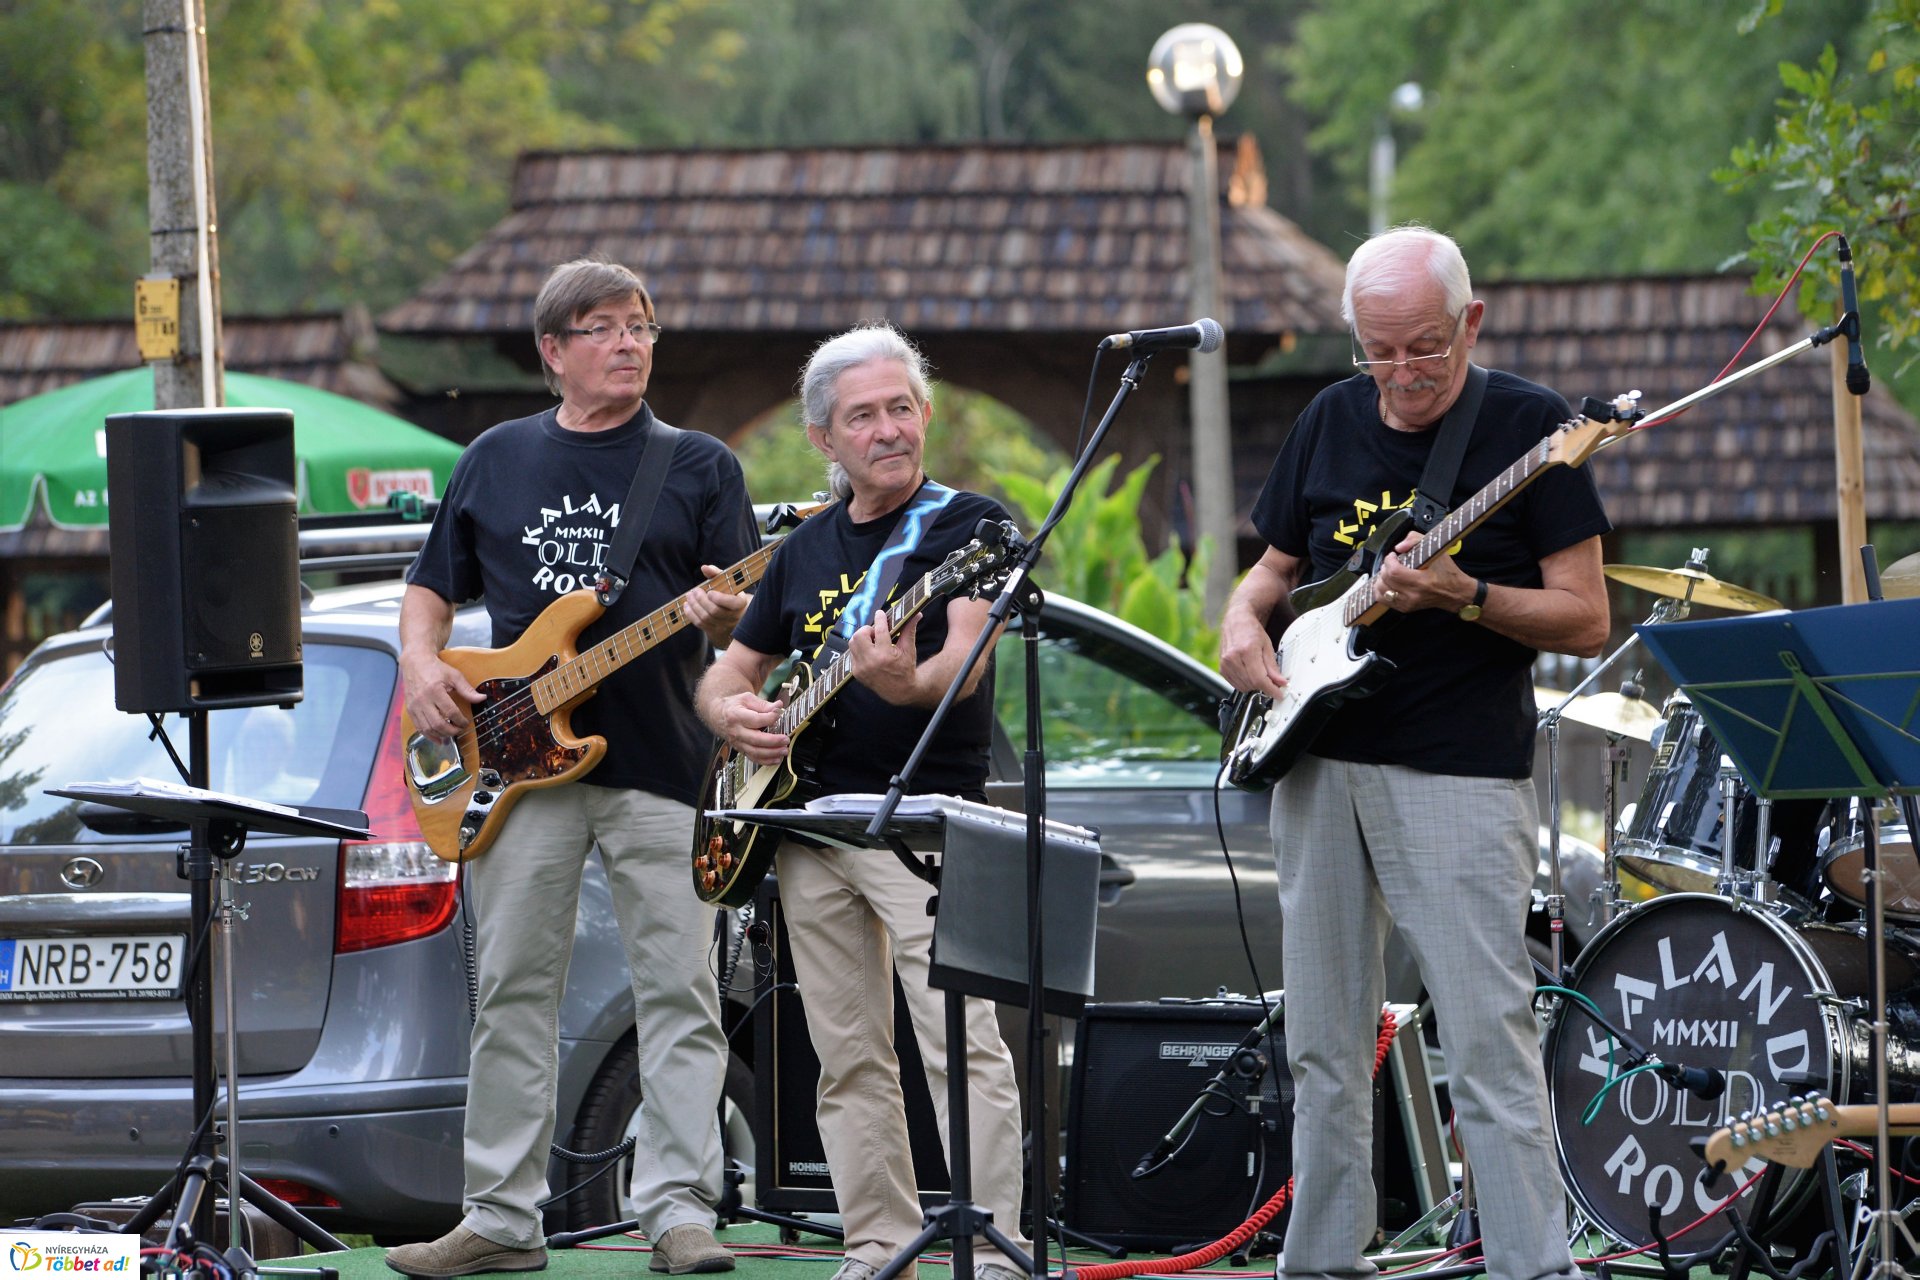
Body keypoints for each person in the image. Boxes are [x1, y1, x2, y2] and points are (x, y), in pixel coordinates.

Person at [1219, 226, 1609, 1280]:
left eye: (1424, 348)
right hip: (1318, 760)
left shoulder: (1534, 429)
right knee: (1324, 1037)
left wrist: (1465, 594)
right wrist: (1243, 623)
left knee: (1485, 1033)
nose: (1399, 375)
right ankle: (1322, 1258)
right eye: (1378, 351)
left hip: (1455, 767)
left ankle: (1533, 1263)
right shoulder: (1327, 416)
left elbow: (1585, 616)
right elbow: (1272, 568)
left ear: (1470, 322)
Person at [386, 257, 756, 1279]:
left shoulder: (700, 465)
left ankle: (680, 1209)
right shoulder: (496, 457)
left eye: (641, 324)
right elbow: (429, 590)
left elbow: (746, 618)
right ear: (554, 352)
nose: (629, 341)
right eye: (603, 327)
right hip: (513, 766)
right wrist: (421, 663)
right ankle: (501, 1218)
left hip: (665, 764)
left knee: (680, 990)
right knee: (511, 989)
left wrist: (728, 613)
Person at [696, 322, 1030, 1280]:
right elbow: (725, 678)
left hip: (925, 825)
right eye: (863, 416)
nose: (888, 429)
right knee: (845, 1053)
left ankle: (992, 1245)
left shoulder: (967, 528)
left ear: (923, 415)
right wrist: (739, 720)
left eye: (901, 409)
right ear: (823, 441)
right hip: (806, 825)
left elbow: (960, 670)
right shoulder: (802, 550)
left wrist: (899, 681)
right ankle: (877, 1240)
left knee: (959, 1044)